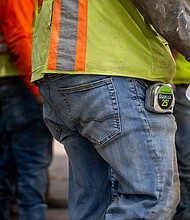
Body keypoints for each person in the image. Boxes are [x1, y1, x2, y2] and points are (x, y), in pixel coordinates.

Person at [32, 0, 190, 219]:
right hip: (111, 69)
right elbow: (164, 6)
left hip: (60, 71)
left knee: (93, 205)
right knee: (151, 198)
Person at [0, 0, 53, 219]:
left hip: (11, 83)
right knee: (31, 161)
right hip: (20, 85)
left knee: (7, 162)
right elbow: (20, 39)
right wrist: (37, 91)